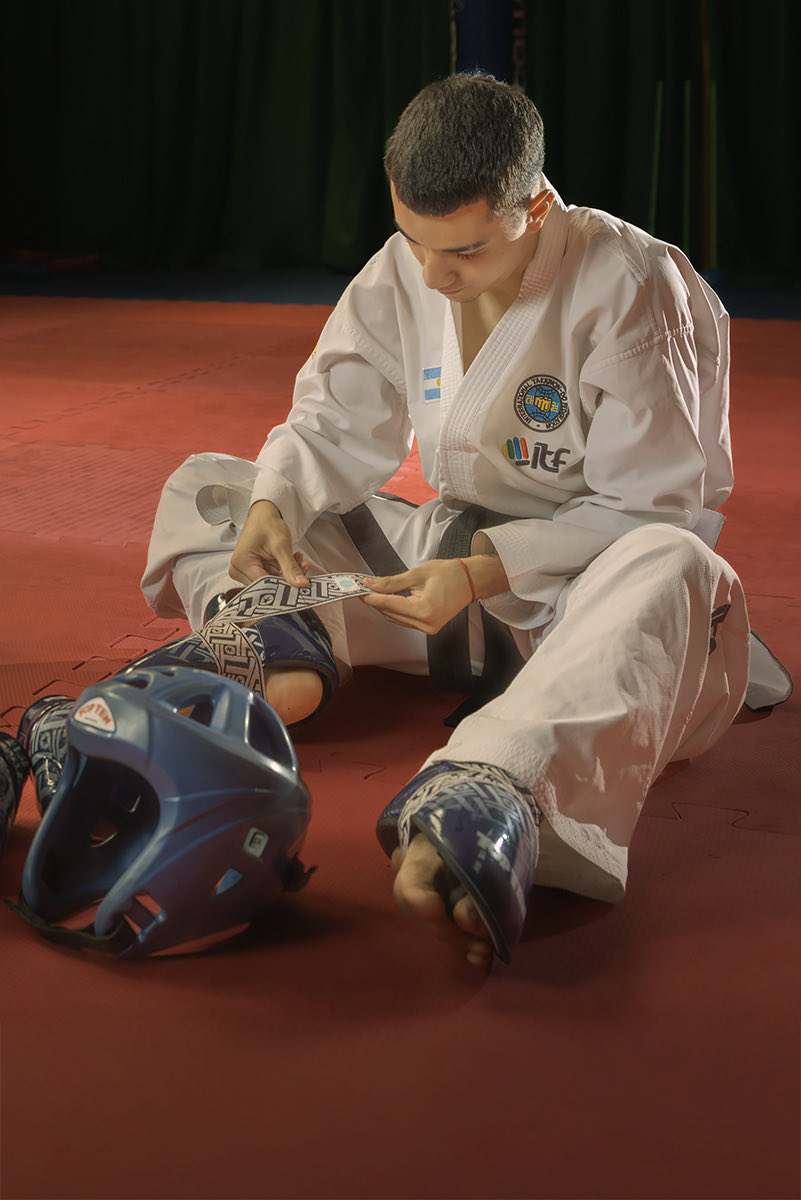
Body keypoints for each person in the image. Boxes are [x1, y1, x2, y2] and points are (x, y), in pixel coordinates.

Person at [141, 73, 757, 968]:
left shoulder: (631, 287)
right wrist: (279, 503)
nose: (433, 273)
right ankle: (282, 642)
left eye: (463, 250)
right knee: (215, 485)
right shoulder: (410, 266)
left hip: (597, 617)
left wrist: (480, 573)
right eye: (414, 239)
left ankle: (495, 789)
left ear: (536, 206)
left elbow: (648, 507)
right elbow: (329, 421)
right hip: (447, 581)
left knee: (672, 559)